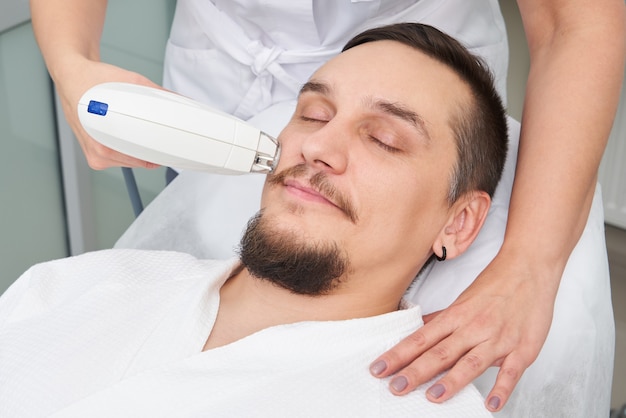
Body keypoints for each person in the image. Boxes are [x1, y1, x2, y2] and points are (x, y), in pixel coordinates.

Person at [28, 0, 626, 416]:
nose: (317, 147)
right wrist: (72, 63)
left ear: (459, 221)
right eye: (311, 116)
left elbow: (578, 22)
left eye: (384, 139)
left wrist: (529, 265)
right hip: (216, 64)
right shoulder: (65, 291)